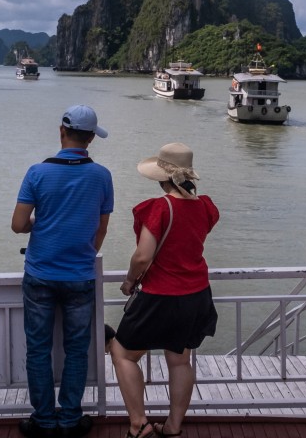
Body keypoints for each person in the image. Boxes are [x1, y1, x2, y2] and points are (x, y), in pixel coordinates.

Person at [11, 105, 114, 438]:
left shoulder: (37, 172)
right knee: (77, 349)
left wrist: (39, 224)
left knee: (39, 349)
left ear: (61, 131)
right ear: (91, 139)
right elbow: (101, 230)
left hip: (40, 273)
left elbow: (17, 225)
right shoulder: (102, 176)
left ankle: (42, 419)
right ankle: (70, 419)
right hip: (81, 275)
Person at [109, 143, 219, 438]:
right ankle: (172, 427)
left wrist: (130, 281)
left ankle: (139, 424)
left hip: (160, 295)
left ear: (162, 177)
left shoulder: (159, 208)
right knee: (180, 359)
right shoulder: (205, 206)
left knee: (122, 353)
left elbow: (143, 256)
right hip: (196, 294)